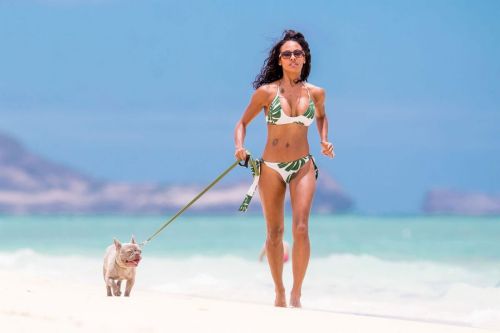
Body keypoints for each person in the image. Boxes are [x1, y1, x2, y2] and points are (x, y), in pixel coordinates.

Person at [234, 30, 335, 308]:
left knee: (301, 228)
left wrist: (324, 139)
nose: (292, 58)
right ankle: (279, 290)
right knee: (274, 233)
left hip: (303, 164)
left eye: (297, 53)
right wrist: (239, 147)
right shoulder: (266, 93)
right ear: (279, 60)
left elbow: (323, 117)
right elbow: (241, 123)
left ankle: (296, 292)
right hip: (271, 168)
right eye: (287, 54)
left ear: (305, 58)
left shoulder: (316, 93)